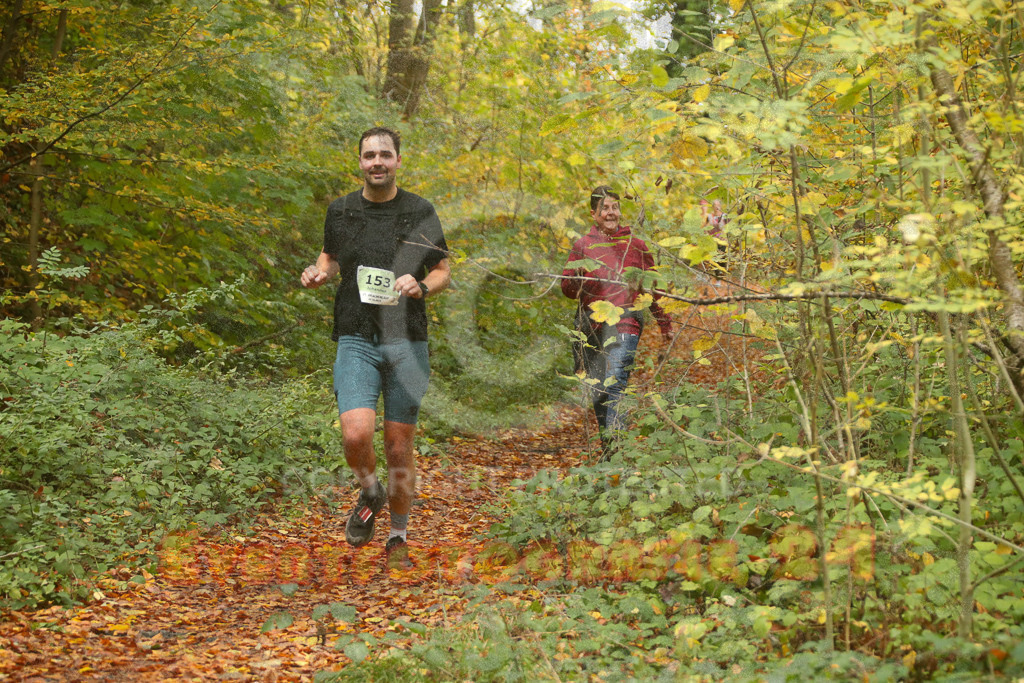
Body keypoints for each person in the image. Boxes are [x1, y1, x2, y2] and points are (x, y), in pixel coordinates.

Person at [300, 127, 450, 569]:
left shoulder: (421, 212)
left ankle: (398, 536)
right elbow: (329, 256)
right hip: (356, 337)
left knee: (399, 448)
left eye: (385, 154)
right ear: (360, 162)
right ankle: (370, 491)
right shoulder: (341, 210)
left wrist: (420, 285)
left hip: (408, 343)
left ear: (398, 159)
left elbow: (442, 270)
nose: (377, 162)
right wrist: (318, 271)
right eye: (369, 156)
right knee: (356, 435)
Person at [561, 186, 671, 454]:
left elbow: (654, 289)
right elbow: (567, 289)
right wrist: (581, 277)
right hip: (591, 325)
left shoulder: (637, 245)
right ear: (594, 215)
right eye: (605, 208)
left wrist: (665, 323)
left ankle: (618, 452)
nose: (611, 213)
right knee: (599, 391)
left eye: (615, 207)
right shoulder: (582, 245)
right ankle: (609, 451)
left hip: (626, 322)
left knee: (615, 381)